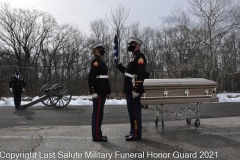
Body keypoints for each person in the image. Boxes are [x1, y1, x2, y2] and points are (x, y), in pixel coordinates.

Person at [116, 36, 147, 141]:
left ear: (138, 45)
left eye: (132, 44)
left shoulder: (140, 57)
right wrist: (119, 66)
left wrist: (136, 89)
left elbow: (141, 74)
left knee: (134, 112)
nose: (130, 46)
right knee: (132, 112)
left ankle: (136, 134)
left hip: (134, 89)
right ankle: (133, 132)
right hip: (130, 89)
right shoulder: (133, 57)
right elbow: (128, 72)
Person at [88, 41, 110, 142]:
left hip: (102, 90)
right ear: (96, 50)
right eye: (101, 48)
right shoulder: (96, 61)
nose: (103, 50)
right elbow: (90, 78)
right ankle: (96, 136)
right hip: (99, 91)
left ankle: (98, 133)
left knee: (99, 114)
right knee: (97, 114)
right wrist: (93, 91)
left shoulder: (100, 61)